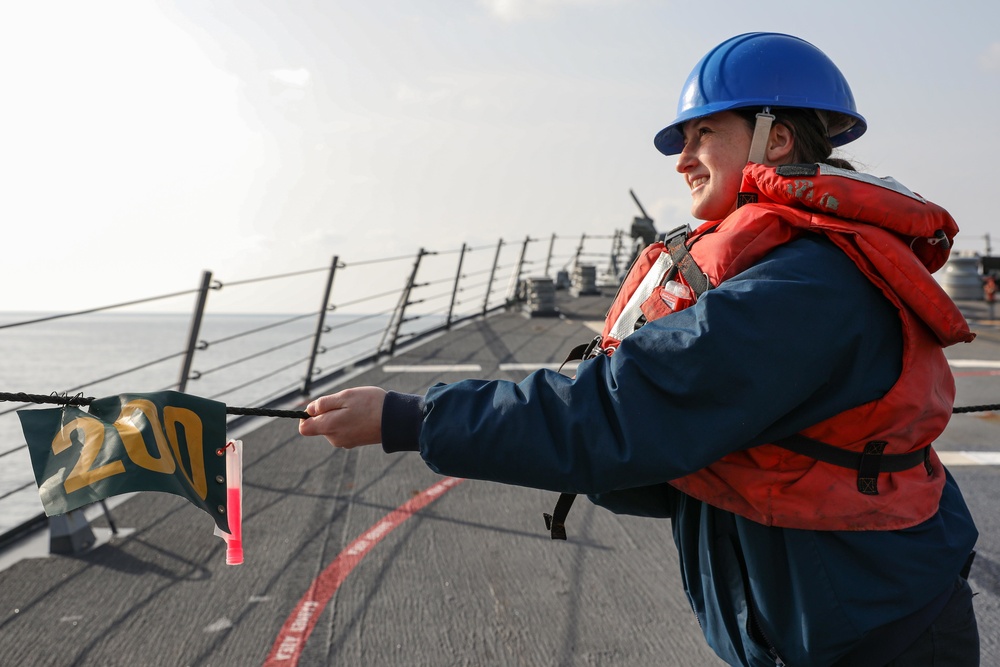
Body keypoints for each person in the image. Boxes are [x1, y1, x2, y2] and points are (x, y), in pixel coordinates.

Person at [299, 32, 980, 666]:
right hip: (830, 624)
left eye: (704, 133)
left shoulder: (802, 286)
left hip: (876, 634)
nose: (682, 159)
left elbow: (622, 414)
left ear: (775, 139)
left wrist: (411, 419)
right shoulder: (788, 270)